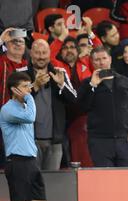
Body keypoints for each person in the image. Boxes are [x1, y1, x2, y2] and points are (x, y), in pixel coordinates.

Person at [0, 71, 79, 201]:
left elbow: (29, 108)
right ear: (14, 90)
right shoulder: (7, 110)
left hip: (31, 163)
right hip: (17, 163)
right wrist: (29, 94)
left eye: (29, 86)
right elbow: (31, 116)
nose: (29, 90)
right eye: (25, 87)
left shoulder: (24, 104)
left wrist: (30, 90)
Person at [77, 46, 128, 167]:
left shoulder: (124, 80)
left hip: (124, 139)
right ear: (92, 62)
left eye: (104, 58)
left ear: (110, 59)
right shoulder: (86, 84)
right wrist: (92, 86)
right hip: (99, 141)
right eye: (97, 59)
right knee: (105, 182)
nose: (101, 62)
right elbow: (82, 108)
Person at [27, 39, 77, 170]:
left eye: (44, 52)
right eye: (37, 52)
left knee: (51, 183)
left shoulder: (60, 72)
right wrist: (34, 86)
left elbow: (74, 99)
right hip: (29, 141)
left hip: (55, 141)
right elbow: (16, 102)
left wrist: (61, 85)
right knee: (32, 181)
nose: (41, 56)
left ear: (50, 54)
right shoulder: (21, 73)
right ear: (31, 53)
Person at [52, 36, 94, 168]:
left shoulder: (86, 63)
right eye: (65, 48)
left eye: (72, 47)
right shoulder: (58, 66)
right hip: (62, 116)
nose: (69, 50)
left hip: (83, 114)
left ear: (78, 50)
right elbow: (49, 53)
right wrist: (60, 39)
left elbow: (101, 54)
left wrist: (90, 33)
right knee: (64, 149)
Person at [0, 28, 29, 169]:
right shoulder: (2, 62)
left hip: (22, 125)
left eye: (21, 42)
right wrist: (1, 40)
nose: (17, 44)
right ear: (6, 45)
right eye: (13, 41)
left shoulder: (28, 66)